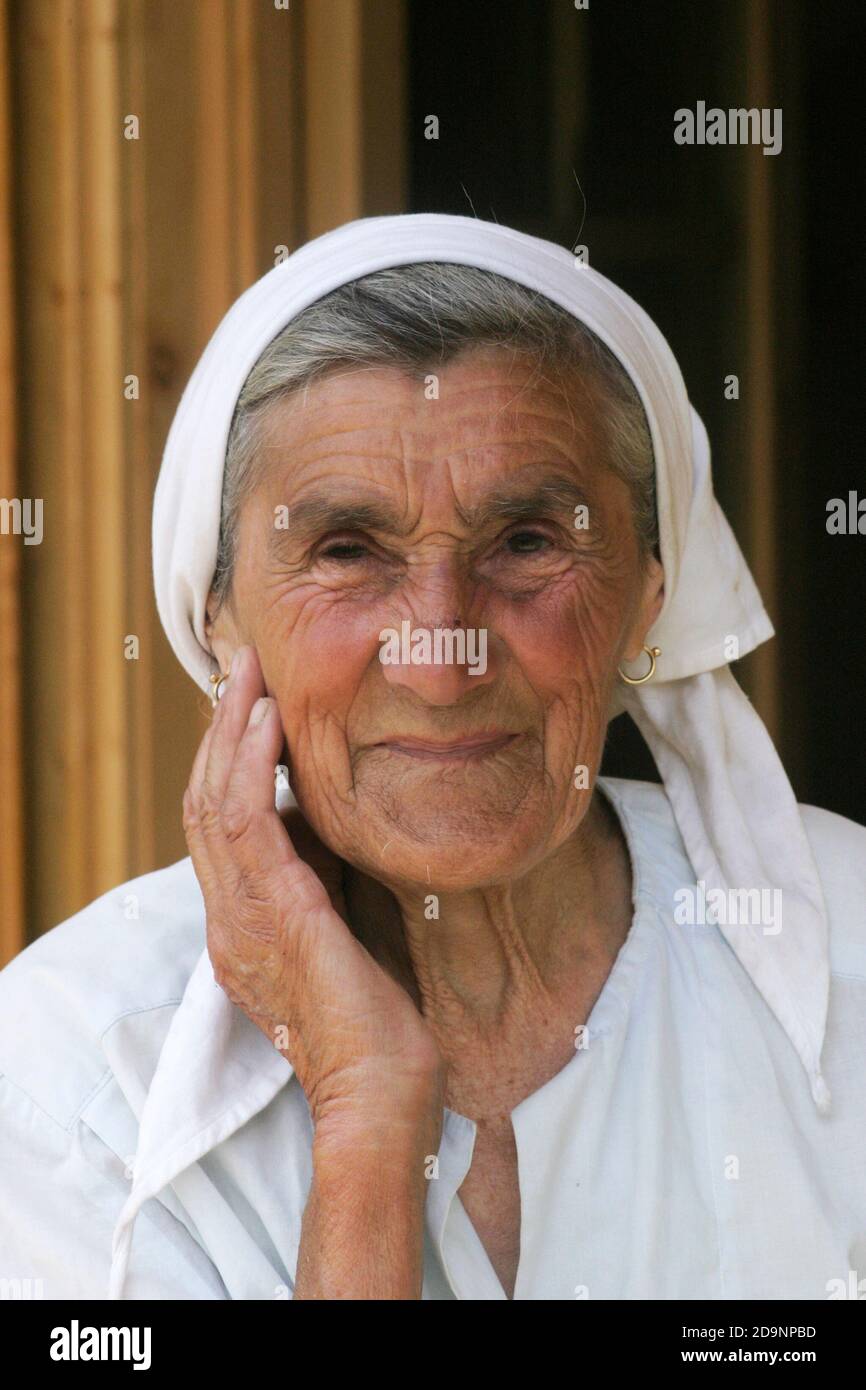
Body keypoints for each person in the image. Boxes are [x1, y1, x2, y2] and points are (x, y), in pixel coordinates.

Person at [1, 214, 864, 1301]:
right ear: (219, 617)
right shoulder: (66, 1081)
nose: (440, 659)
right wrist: (364, 1115)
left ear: (651, 587)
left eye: (525, 542)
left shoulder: (850, 956)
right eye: (348, 552)